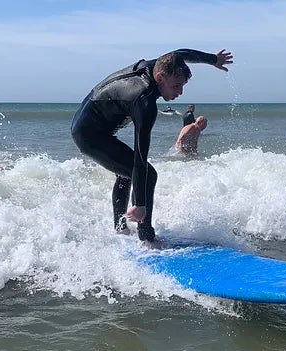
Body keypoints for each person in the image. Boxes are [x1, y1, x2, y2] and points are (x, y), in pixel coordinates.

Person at [71, 48, 233, 245]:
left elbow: (181, 53)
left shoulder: (162, 64)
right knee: (148, 174)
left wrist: (213, 59)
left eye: (182, 86)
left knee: (126, 171)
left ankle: (120, 228)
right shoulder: (144, 103)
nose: (180, 92)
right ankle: (146, 237)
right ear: (159, 78)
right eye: (176, 86)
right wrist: (140, 204)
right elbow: (140, 157)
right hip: (88, 134)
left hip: (89, 119)